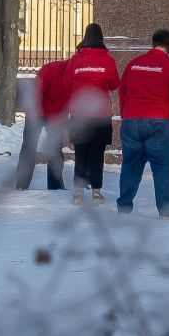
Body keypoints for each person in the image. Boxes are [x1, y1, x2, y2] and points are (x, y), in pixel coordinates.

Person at [116, 28, 169, 218]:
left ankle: (124, 206)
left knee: (130, 165)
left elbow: (122, 92)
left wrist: (126, 114)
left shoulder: (134, 64)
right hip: (159, 122)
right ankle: (166, 210)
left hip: (132, 120)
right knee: (162, 166)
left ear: (153, 44)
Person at [59, 23, 120, 203]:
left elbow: (67, 82)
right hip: (100, 114)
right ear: (101, 38)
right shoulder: (107, 60)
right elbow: (114, 84)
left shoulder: (76, 59)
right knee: (97, 154)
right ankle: (96, 192)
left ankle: (78, 192)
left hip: (79, 113)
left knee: (80, 152)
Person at [14, 58, 66, 191]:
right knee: (29, 148)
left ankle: (56, 186)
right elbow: (36, 91)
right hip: (36, 112)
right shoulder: (51, 69)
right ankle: (21, 185)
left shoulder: (78, 76)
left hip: (56, 114)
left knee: (55, 148)